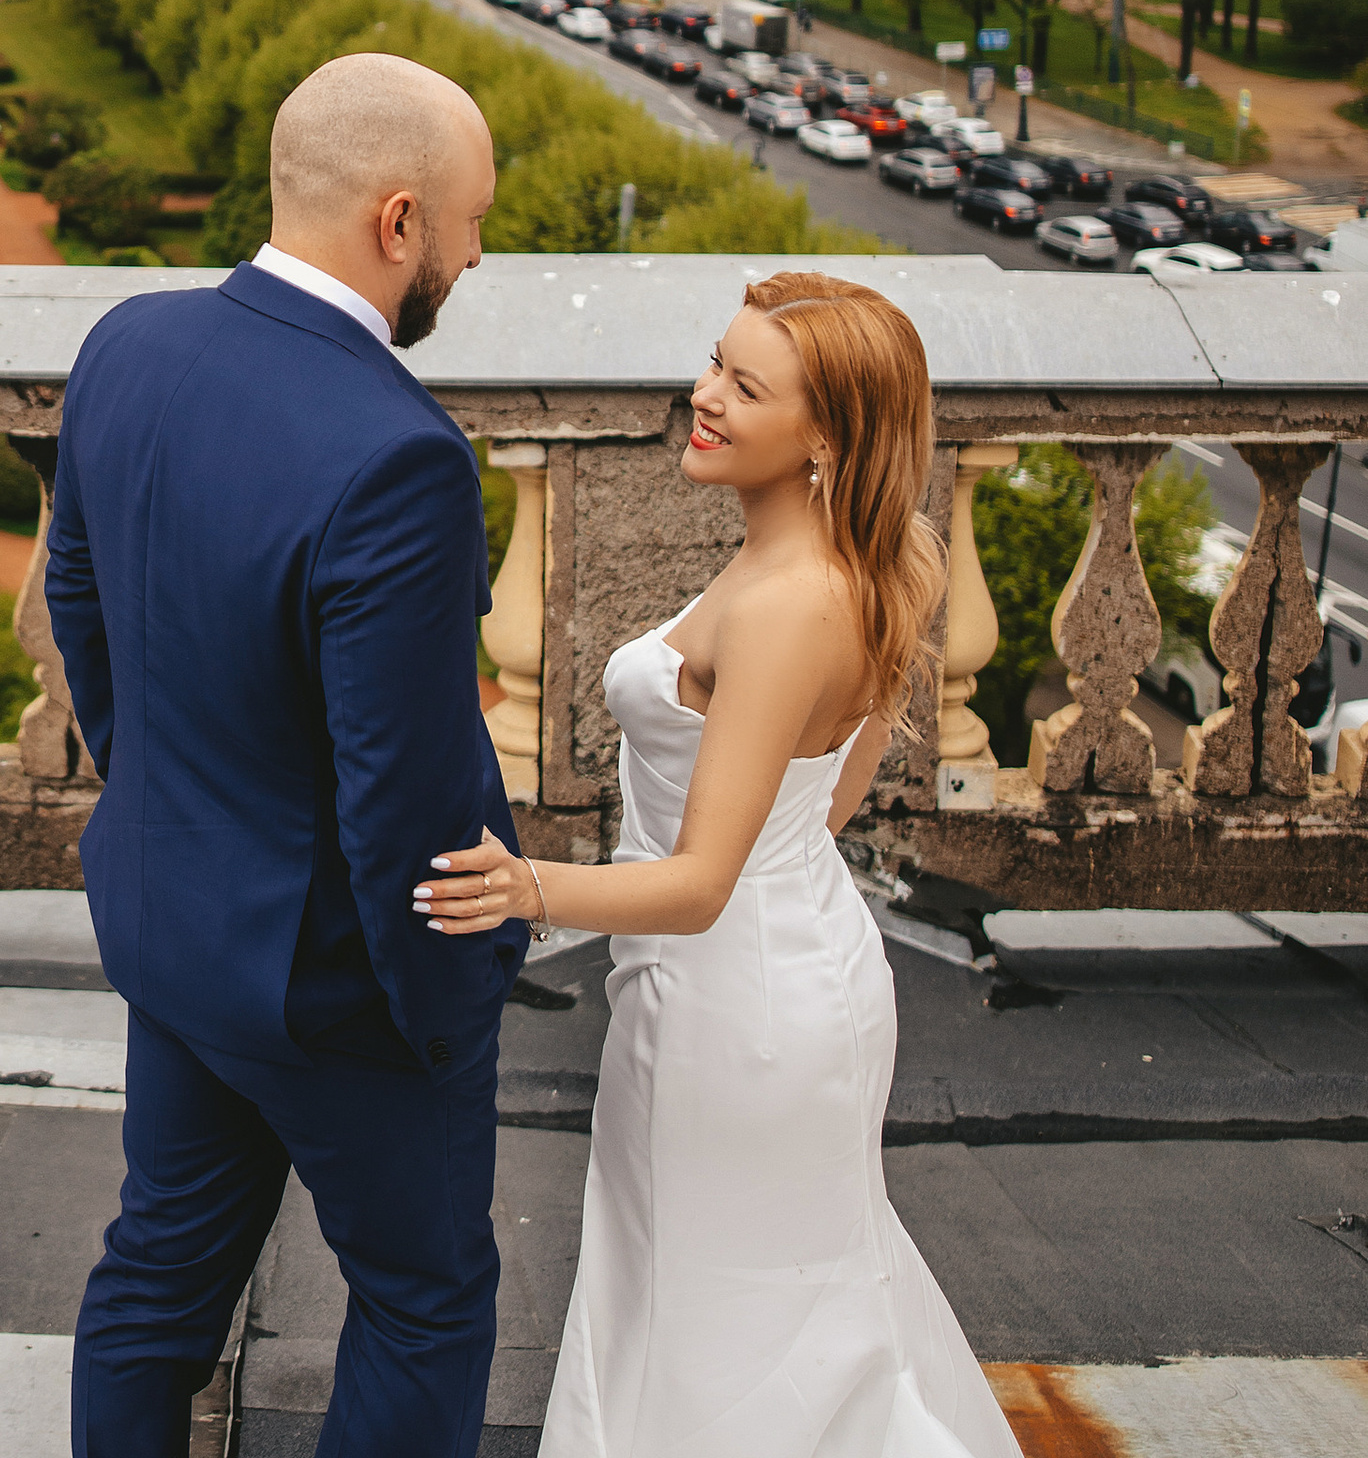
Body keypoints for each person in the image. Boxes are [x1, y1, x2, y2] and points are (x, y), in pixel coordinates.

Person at [417, 272, 1019, 1457]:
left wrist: (524, 887)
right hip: (766, 971)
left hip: (741, 1000)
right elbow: (818, 806)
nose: (703, 396)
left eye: (746, 386)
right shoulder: (831, 565)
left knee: (728, 1313)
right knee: (735, 1286)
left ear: (827, 438)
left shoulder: (793, 603)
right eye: (713, 363)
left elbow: (698, 883)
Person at [52, 53, 528, 1458]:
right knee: (424, 1301)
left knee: (158, 1271)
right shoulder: (401, 454)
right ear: (399, 223)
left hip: (173, 929)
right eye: (473, 221)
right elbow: (410, 794)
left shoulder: (127, 342)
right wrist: (455, 1004)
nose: (476, 252)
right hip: (339, 989)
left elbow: (80, 606)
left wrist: (172, 807)